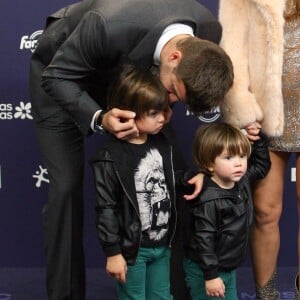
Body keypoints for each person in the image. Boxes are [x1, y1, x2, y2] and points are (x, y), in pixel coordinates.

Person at [29, 0, 234, 299]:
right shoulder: (106, 23)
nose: (173, 104)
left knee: (174, 175)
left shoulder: (208, 29)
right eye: (174, 92)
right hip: (64, 73)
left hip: (130, 78)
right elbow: (57, 76)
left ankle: (172, 291)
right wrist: (99, 117)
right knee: (66, 189)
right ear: (174, 57)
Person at [90, 64, 201, 299]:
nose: (163, 118)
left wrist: (192, 178)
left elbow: (170, 179)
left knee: (162, 297)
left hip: (162, 245)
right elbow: (106, 209)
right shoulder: (109, 158)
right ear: (129, 112)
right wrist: (113, 253)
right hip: (132, 251)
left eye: (163, 110)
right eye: (153, 113)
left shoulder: (162, 143)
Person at [218, 0, 300, 298]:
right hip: (267, 117)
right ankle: (266, 294)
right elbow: (233, 52)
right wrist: (243, 111)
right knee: (265, 211)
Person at [183, 122, 271, 300]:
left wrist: (259, 141)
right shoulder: (208, 198)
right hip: (205, 271)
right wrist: (211, 275)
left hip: (227, 267)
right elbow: (204, 240)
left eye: (242, 156)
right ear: (209, 164)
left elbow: (261, 166)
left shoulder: (242, 181)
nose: (238, 163)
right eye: (229, 158)